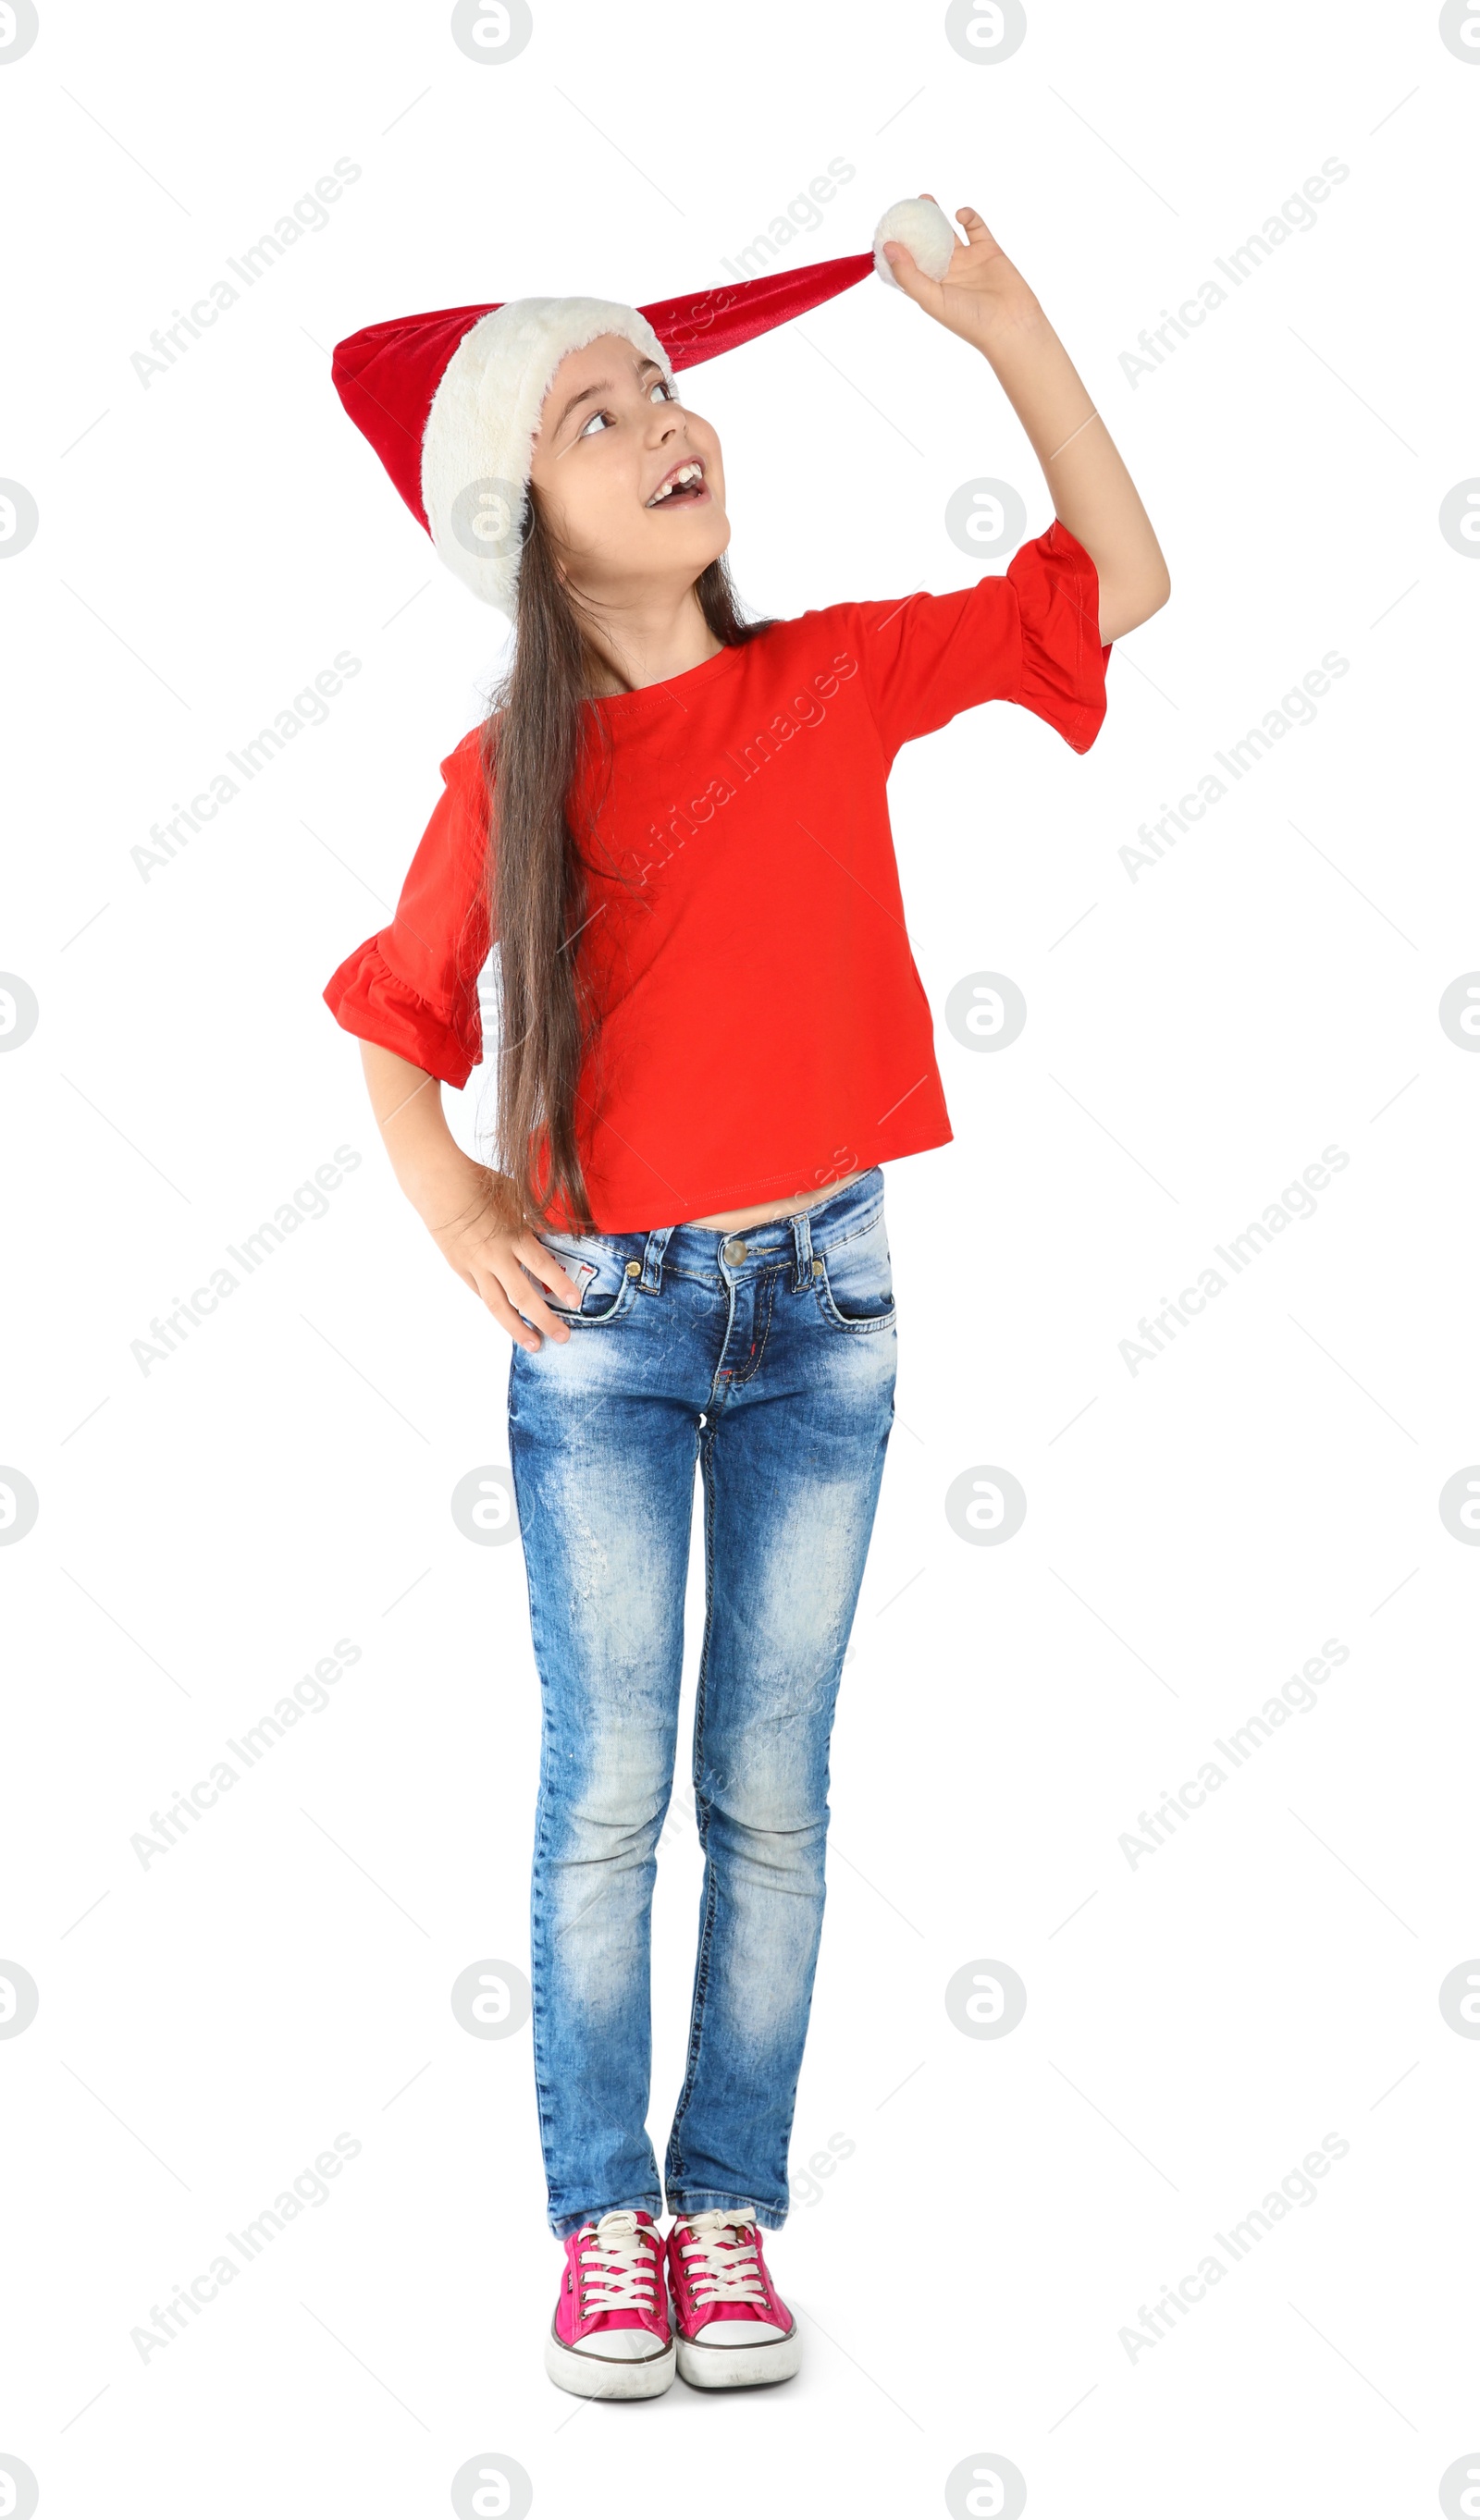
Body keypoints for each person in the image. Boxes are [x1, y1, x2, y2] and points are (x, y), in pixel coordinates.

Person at [322, 195, 1169, 2400]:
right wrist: (451, 1204)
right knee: (606, 1787)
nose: (662, 420)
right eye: (597, 414)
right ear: (530, 521)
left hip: (826, 1308)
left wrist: (1004, 322)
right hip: (598, 1332)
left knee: (766, 1792)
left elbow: (1117, 588)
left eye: (666, 386)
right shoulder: (508, 775)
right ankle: (603, 2224)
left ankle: (726, 2208)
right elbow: (394, 1018)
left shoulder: (830, 677)